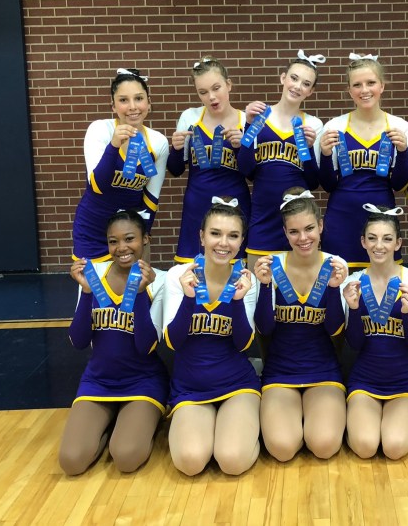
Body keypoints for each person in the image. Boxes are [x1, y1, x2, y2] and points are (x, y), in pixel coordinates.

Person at [60, 210, 167, 475]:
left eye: (129, 239)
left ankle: (133, 425)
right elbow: (78, 340)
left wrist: (140, 294)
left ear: (145, 240)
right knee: (71, 461)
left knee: (126, 458)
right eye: (113, 241)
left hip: (142, 381)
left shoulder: (160, 280)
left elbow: (146, 346)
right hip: (99, 381)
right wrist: (87, 292)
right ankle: (109, 425)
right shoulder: (93, 276)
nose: (121, 248)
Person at [163, 197, 260, 476]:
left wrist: (238, 302)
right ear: (202, 236)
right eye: (215, 233)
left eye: (233, 236)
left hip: (236, 384)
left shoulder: (245, 280)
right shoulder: (178, 276)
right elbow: (173, 342)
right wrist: (188, 299)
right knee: (190, 462)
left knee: (232, 461)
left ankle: (251, 428)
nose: (223, 243)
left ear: (241, 241)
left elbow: (243, 343)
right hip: (190, 388)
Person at [252, 188, 349, 461]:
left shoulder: (335, 264)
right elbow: (264, 329)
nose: (303, 238)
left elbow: (335, 329)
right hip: (280, 372)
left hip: (323, 370)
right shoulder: (271, 265)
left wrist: (333, 289)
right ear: (285, 232)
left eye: (309, 229)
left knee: (324, 445)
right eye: (294, 232)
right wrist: (264, 287)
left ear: (321, 226)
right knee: (282, 449)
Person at [340, 204, 408, 460]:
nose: (379, 246)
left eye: (387, 239)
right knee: (365, 447)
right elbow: (354, 344)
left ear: (398, 243)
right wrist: (354, 309)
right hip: (364, 381)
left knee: (394, 447)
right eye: (373, 238)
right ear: (363, 242)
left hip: (404, 382)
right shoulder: (352, 283)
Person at [317, 53, 408, 268]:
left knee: (383, 282)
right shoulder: (334, 126)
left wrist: (403, 151)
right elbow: (328, 185)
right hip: (341, 218)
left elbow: (400, 185)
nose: (364, 90)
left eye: (371, 83)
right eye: (357, 85)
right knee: (339, 280)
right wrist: (325, 155)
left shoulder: (401, 126)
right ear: (349, 90)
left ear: (382, 86)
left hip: (382, 220)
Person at [238, 51, 325, 269]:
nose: (297, 86)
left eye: (306, 84)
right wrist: (248, 126)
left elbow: (313, 182)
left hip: (298, 225)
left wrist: (309, 148)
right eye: (294, 78)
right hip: (262, 219)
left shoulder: (313, 124)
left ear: (311, 91)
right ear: (283, 78)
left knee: (296, 286)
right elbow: (246, 170)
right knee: (258, 283)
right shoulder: (259, 116)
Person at [72, 68, 169, 261]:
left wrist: (143, 236)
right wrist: (114, 146)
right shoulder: (100, 130)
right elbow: (97, 185)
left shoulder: (158, 142)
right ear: (113, 106)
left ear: (149, 103)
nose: (133, 106)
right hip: (93, 230)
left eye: (139, 98)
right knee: (93, 282)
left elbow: (151, 199)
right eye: (123, 100)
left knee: (137, 281)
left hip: (130, 235)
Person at [168, 57, 250, 263]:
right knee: (193, 272)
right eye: (203, 92)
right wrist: (176, 150)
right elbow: (176, 170)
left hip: (235, 206)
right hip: (197, 207)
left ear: (228, 85)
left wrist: (242, 149)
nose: (211, 97)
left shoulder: (245, 121)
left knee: (235, 272)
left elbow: (252, 173)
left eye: (216, 88)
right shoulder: (189, 117)